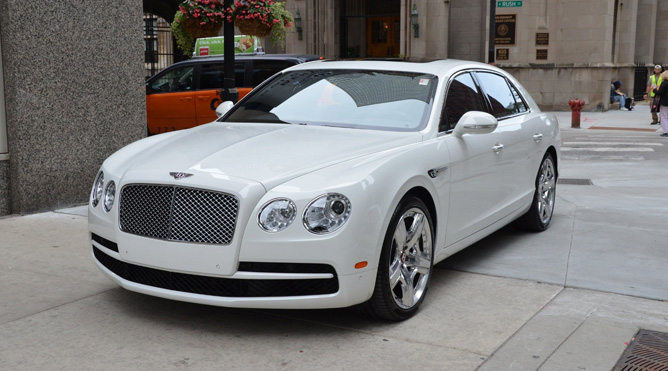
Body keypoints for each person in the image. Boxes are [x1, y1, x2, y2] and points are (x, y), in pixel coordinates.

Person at [652, 70, 668, 137]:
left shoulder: (664, 83)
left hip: (665, 102)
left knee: (664, 116)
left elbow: (659, 92)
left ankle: (665, 131)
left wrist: (654, 89)